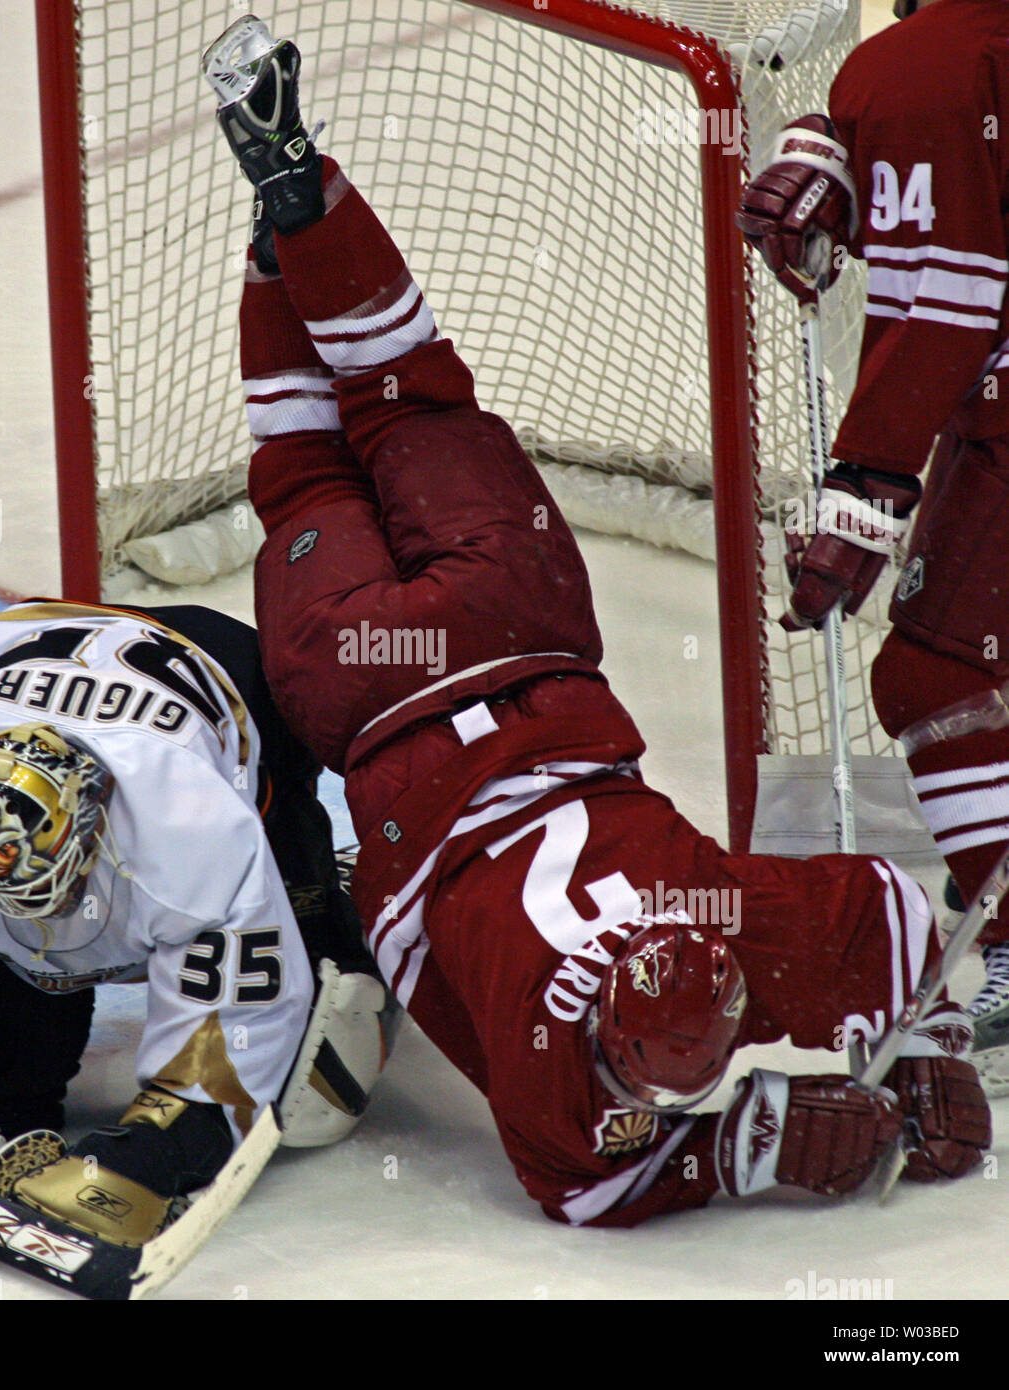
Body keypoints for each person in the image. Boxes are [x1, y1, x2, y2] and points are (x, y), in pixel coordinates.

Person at [203, 13, 990, 1229]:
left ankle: (300, 210)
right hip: (371, 691)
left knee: (407, 393)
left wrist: (907, 1041)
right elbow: (587, 1181)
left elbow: (888, 925)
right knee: (307, 466)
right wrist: (764, 1135)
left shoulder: (729, 910)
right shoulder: (595, 1019)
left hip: (512, 625)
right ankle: (284, 237)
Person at [0, 600, 389, 1248]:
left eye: (22, 861)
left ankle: (333, 900)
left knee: (314, 1091)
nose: (4, 871)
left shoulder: (194, 827)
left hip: (222, 664)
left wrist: (152, 1156)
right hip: (34, 635)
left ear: (90, 824)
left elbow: (230, 1049)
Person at [736, 0, 1009, 1091]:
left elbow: (943, 305)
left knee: (932, 670)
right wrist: (854, 155)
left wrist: (864, 489)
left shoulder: (920, 60)